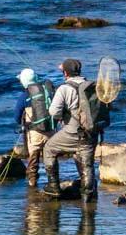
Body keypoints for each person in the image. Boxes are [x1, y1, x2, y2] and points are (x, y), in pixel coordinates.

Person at [41, 58, 106, 203]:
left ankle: (53, 187)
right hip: (92, 131)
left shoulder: (64, 89)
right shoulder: (91, 86)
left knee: (49, 149)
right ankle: (89, 195)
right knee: (86, 162)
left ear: (65, 73)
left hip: (73, 131)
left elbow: (54, 113)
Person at [16, 68, 56, 189]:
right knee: (51, 158)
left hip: (34, 133)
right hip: (50, 131)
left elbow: (17, 115)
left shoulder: (24, 96)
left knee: (33, 160)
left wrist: (22, 124)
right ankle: (53, 183)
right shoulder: (47, 92)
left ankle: (32, 184)